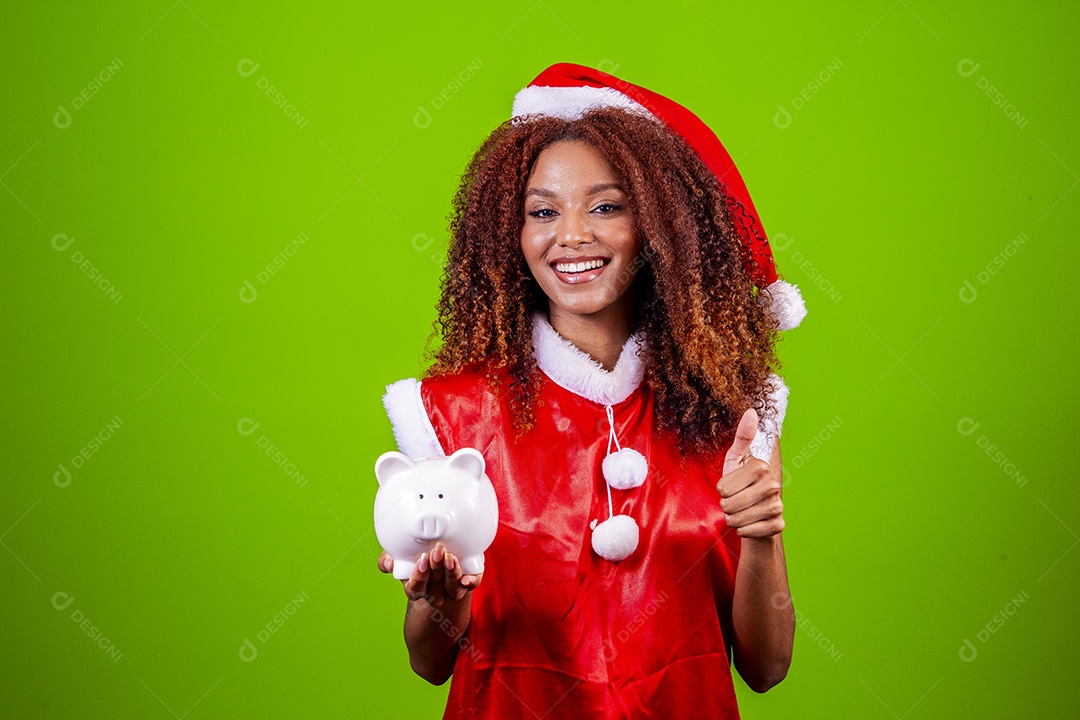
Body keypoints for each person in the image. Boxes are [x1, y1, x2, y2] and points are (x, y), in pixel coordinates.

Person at [377, 63, 807, 719]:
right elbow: (429, 663)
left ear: (659, 225)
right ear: (510, 235)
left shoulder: (733, 415)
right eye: (542, 211)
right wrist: (439, 598)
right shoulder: (452, 416)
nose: (571, 236)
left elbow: (768, 666)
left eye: (606, 206)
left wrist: (762, 537)